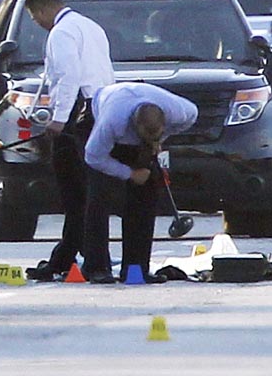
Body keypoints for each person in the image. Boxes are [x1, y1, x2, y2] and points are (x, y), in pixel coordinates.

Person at [22, 0, 115, 281]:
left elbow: (68, 77)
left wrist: (59, 120)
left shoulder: (61, 33)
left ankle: (91, 260)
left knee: (75, 191)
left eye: (35, 17)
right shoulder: (91, 27)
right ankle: (67, 256)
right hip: (100, 108)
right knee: (85, 190)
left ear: (42, 10)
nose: (37, 23)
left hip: (77, 115)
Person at [81, 81, 198, 285]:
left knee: (146, 198)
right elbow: (93, 157)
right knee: (100, 197)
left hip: (145, 129)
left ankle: (136, 268)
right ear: (135, 127)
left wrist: (159, 141)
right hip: (95, 117)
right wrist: (129, 173)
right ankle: (96, 267)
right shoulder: (112, 122)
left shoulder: (179, 110)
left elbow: (192, 117)